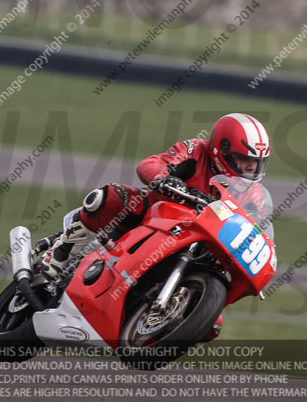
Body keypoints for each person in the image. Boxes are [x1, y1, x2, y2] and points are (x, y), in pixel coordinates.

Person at [39, 113, 273, 336]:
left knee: (211, 326)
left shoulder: (256, 196)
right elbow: (153, 163)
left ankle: (157, 319)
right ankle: (60, 253)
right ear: (220, 150)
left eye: (257, 162)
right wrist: (164, 178)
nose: (252, 168)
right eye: (245, 159)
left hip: (201, 245)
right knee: (108, 197)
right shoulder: (195, 150)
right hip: (158, 217)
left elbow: (255, 227)